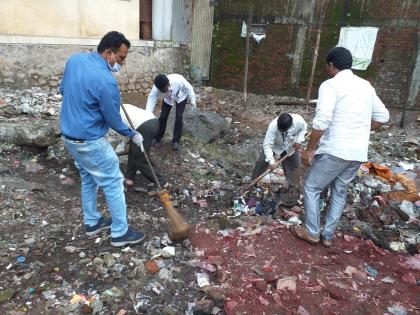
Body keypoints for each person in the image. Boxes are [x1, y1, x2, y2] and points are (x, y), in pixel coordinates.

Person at [291, 47, 389, 247]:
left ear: (331, 65)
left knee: (311, 187)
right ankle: (327, 236)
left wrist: (309, 149)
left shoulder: (330, 85)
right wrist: (360, 130)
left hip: (337, 150)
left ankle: (312, 232)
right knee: (339, 190)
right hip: (357, 153)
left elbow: (322, 121)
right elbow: (383, 117)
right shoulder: (365, 86)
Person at [60, 31, 146, 247]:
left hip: (69, 138)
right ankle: (120, 233)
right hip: (90, 142)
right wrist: (132, 134)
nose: (123, 63)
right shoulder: (106, 81)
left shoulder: (75, 60)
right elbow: (114, 120)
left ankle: (92, 222)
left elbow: (63, 90)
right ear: (109, 53)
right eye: (122, 57)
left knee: (89, 177)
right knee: (114, 182)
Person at [251, 113, 307, 189]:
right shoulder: (273, 126)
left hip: (290, 145)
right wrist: (271, 161)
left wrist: (299, 140)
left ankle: (292, 186)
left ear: (290, 125)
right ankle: (253, 182)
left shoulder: (299, 121)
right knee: (262, 162)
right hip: (275, 145)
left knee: (295, 165)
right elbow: (267, 145)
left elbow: (303, 129)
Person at [119, 103, 168, 188]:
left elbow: (123, 130)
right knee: (137, 151)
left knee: (139, 158)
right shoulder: (122, 106)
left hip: (144, 126)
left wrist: (123, 144)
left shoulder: (114, 112)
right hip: (153, 121)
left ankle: (162, 183)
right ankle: (129, 177)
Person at [145, 73, 197, 150]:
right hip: (168, 99)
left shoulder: (178, 80)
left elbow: (189, 88)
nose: (163, 91)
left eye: (164, 89)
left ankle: (176, 141)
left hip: (181, 97)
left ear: (168, 83)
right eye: (161, 90)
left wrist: (193, 101)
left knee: (179, 116)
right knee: (163, 116)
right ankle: (157, 137)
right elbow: (151, 100)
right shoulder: (156, 88)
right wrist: (147, 115)